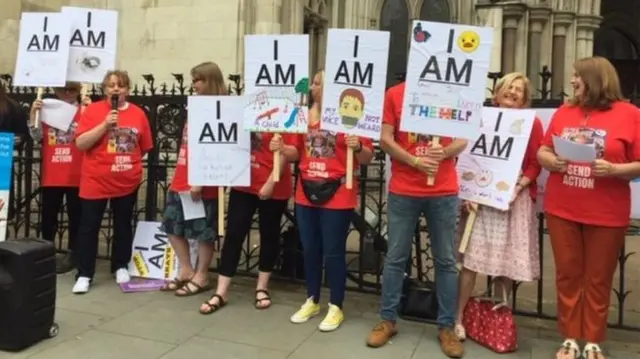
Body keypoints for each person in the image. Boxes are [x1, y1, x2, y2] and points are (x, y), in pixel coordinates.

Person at [537, 56, 640, 359]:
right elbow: (544, 149)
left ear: (596, 79)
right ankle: (570, 337)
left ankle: (593, 338)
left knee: (598, 276)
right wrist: (550, 161)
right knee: (568, 274)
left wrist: (615, 170)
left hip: (606, 211)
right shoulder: (564, 111)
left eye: (577, 76)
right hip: (563, 207)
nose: (572, 82)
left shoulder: (630, 114)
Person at [366, 80, 468, 358]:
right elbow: (385, 139)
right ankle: (388, 319)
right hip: (404, 190)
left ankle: (446, 326)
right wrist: (415, 161)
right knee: (396, 256)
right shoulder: (395, 94)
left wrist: (444, 152)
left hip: (443, 191)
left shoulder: (452, 94)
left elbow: (463, 138)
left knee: (446, 260)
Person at [272, 70, 374, 332]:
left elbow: (367, 157)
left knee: (333, 251)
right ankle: (312, 298)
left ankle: (336, 305)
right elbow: (296, 152)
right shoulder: (304, 116)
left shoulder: (349, 114)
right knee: (310, 248)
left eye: (318, 83)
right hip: (306, 189)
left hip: (337, 193)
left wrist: (358, 146)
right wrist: (282, 149)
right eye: (314, 83)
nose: (313, 87)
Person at [455, 72, 543, 339]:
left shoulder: (532, 123)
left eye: (519, 90)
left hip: (513, 198)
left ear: (525, 99)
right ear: (497, 93)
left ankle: (499, 317)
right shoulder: (481, 119)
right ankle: (457, 318)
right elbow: (467, 157)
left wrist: (518, 187)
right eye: (509, 87)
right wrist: (466, 192)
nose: (513, 92)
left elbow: (535, 162)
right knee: (471, 261)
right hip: (481, 198)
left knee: (505, 263)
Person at [72, 70, 153, 294]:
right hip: (95, 179)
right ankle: (85, 273)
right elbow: (81, 143)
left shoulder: (138, 114)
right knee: (89, 227)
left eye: (120, 85)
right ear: (104, 89)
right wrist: (105, 125)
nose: (115, 89)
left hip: (126, 180)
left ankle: (120, 265)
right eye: (111, 85)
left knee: (123, 224)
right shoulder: (93, 111)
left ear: (128, 89)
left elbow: (144, 147)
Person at [200, 130, 297, 313]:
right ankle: (222, 291)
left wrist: (271, 182)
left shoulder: (284, 110)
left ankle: (262, 287)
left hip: (273, 183)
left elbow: (290, 153)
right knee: (234, 233)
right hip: (244, 182)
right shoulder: (244, 109)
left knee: (269, 234)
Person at [158, 62, 224, 301]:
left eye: (198, 80)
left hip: (203, 181)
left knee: (203, 230)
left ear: (210, 81)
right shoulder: (195, 106)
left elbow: (216, 147)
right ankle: (186, 268)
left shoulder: (221, 108)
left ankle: (202, 274)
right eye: (193, 80)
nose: (194, 84)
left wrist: (200, 179)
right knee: (172, 225)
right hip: (182, 175)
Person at [28, 82, 91, 274]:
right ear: (55, 91)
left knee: (76, 216)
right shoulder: (48, 109)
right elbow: (36, 135)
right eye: (63, 90)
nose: (67, 93)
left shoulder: (85, 110)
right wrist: (33, 114)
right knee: (48, 215)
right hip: (52, 172)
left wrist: (89, 112)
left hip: (77, 172)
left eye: (72, 90)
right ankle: (46, 251)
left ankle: (73, 252)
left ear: (78, 91)